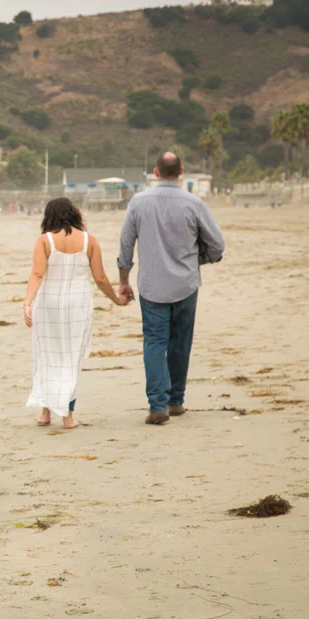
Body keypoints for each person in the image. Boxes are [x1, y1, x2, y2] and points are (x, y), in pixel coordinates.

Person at [117, 152, 225, 424]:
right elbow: (217, 245)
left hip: (152, 286)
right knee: (180, 342)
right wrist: (200, 259)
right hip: (186, 285)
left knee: (154, 342)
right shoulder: (194, 203)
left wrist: (123, 280)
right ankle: (176, 401)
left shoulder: (138, 202)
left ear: (156, 172)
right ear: (182, 172)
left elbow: (125, 246)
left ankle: (158, 406)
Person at [24, 198, 129, 429]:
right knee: (71, 359)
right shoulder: (88, 241)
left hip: (48, 305)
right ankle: (68, 417)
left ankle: (45, 413)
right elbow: (100, 278)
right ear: (74, 214)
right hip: (77, 306)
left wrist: (27, 303)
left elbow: (37, 274)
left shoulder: (45, 241)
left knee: (47, 356)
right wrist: (117, 300)